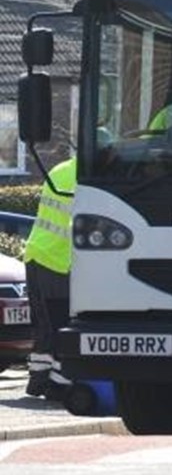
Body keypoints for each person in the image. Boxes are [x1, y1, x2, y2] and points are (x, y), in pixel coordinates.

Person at [23, 159, 75, 401]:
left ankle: (37, 381)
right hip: (57, 260)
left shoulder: (60, 169)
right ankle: (58, 386)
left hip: (35, 253)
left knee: (43, 325)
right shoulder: (86, 178)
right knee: (61, 325)